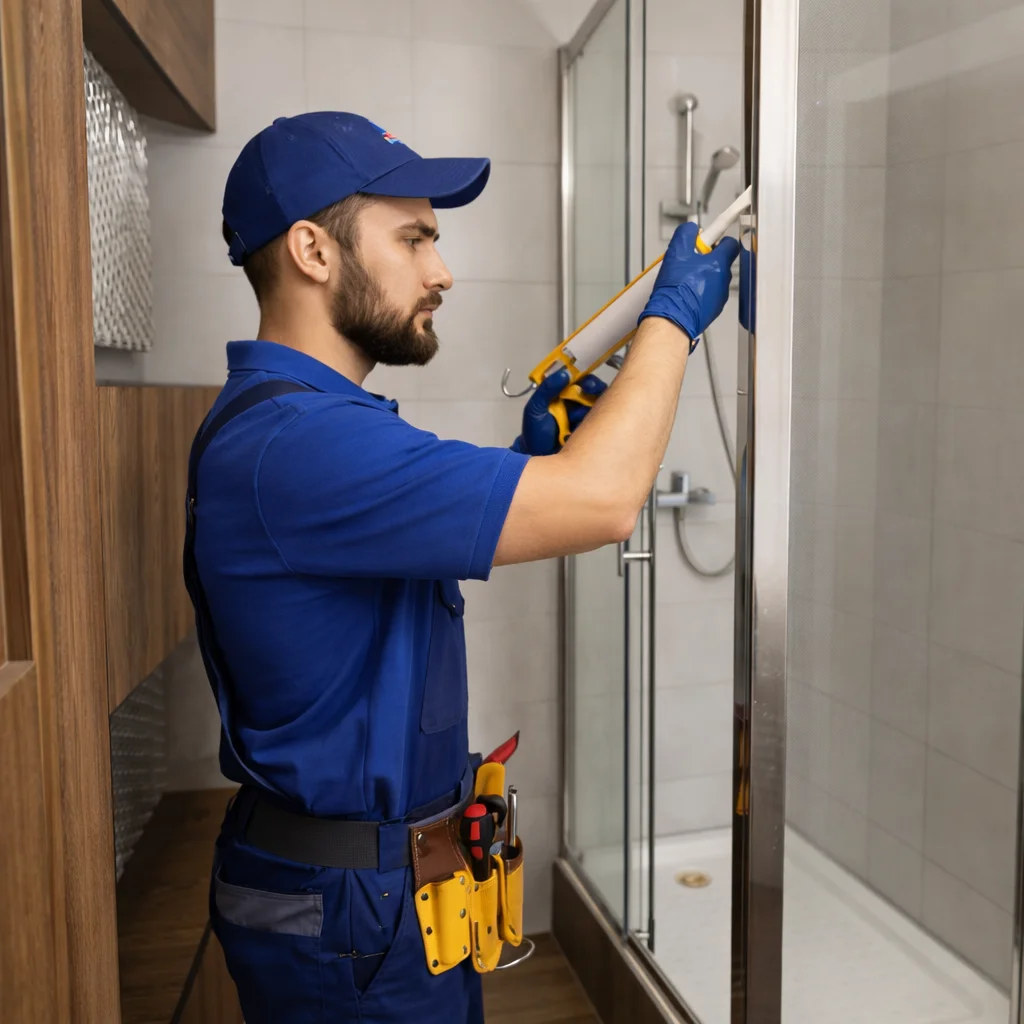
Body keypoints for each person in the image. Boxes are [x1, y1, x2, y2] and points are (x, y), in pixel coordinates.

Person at [184, 111, 740, 1024]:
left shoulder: (307, 427)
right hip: (351, 915)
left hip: (382, 890)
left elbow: (376, 551)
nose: (442, 272)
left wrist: (526, 467)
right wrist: (671, 318)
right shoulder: (302, 442)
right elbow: (604, 502)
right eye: (414, 238)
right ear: (313, 251)